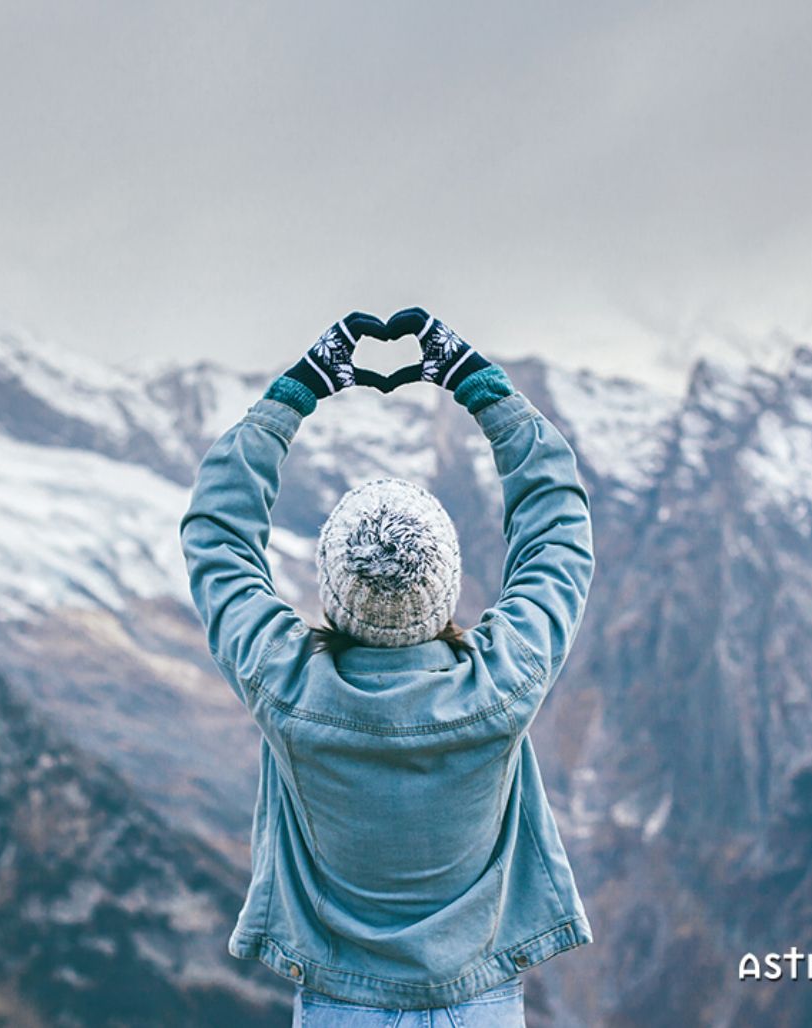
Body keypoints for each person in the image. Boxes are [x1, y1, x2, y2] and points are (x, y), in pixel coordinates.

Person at [179, 308, 595, 1027]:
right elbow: (557, 527)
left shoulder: (288, 687)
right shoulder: (503, 684)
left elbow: (217, 535)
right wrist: (476, 384)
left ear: (335, 593)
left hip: (340, 1008)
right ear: (448, 582)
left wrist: (297, 391)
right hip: (483, 1008)